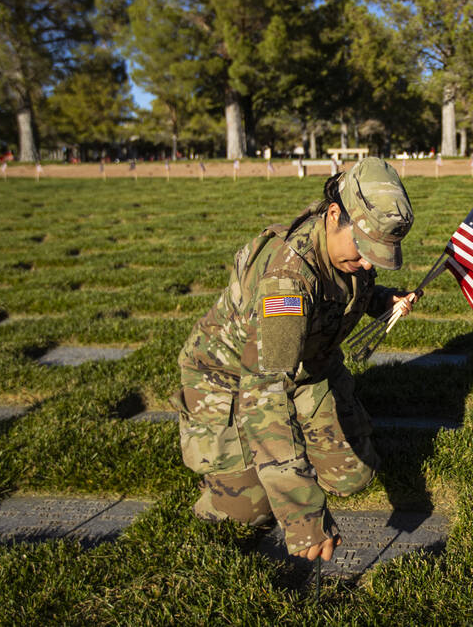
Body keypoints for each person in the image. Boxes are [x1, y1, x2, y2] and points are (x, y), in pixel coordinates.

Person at [173, 157, 419, 561]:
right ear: (334, 214)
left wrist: (381, 299)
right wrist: (303, 514)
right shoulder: (285, 282)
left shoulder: (346, 250)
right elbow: (263, 394)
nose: (369, 262)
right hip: (232, 383)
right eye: (365, 249)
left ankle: (294, 440)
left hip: (307, 369)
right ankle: (227, 467)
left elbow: (345, 291)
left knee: (354, 477)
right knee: (246, 513)